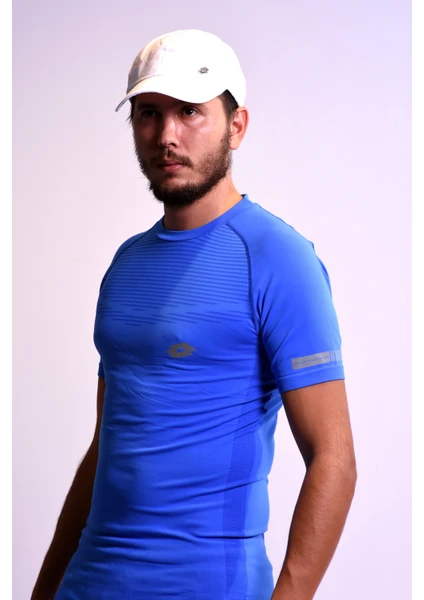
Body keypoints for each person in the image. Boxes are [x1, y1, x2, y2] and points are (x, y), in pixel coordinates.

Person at [31, 29, 357, 600]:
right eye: (149, 113)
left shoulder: (277, 258)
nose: (166, 135)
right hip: (90, 582)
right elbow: (106, 444)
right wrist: (45, 588)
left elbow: (334, 459)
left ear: (237, 126)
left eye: (189, 111)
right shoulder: (126, 264)